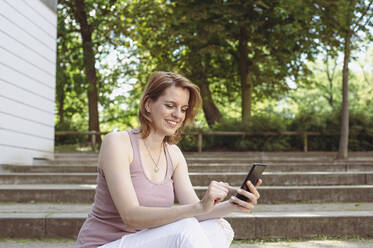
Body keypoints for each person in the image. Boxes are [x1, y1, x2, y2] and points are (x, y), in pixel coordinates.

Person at [76, 71, 262, 248]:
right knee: (185, 227)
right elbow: (130, 216)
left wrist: (233, 204)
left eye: (183, 109)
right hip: (105, 244)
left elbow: (198, 211)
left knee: (219, 227)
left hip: (147, 241)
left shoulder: (174, 154)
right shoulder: (117, 143)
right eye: (170, 106)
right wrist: (198, 207)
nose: (178, 115)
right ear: (148, 105)